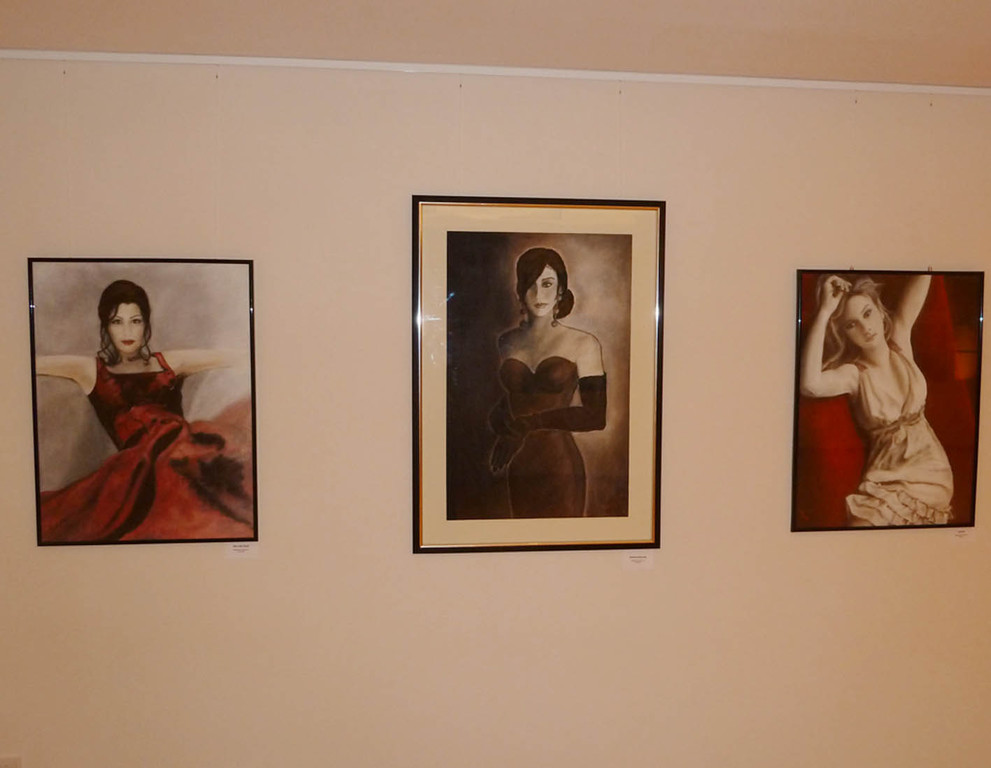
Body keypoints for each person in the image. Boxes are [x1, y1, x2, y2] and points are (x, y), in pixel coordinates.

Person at [34, 279, 255, 543]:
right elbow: (21, 361)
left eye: (135, 321)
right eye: (117, 322)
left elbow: (244, 355)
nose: (127, 331)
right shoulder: (90, 370)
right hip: (139, 469)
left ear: (146, 324)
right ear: (106, 327)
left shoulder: (169, 362)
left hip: (184, 449)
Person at [799, 273, 952, 526]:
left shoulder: (900, 341)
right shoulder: (854, 374)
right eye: (851, 324)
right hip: (886, 479)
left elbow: (926, 273)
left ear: (881, 313)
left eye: (868, 313)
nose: (865, 328)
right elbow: (809, 385)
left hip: (933, 474)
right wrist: (825, 311)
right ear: (845, 334)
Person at [488, 247, 606, 517]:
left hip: (561, 466)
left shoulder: (584, 343)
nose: (539, 294)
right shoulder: (506, 342)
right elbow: (513, 400)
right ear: (519, 291)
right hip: (518, 465)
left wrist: (525, 425)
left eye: (547, 284)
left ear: (560, 291)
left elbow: (595, 416)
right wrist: (502, 425)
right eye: (530, 284)